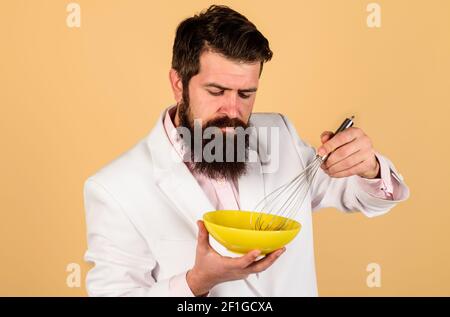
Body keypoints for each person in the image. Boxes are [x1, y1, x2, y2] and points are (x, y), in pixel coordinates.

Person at [83, 5, 409, 297]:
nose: (231, 110)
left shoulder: (279, 135)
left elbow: (363, 198)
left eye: (246, 94)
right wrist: (195, 283)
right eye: (216, 91)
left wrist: (367, 168)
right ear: (178, 83)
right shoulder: (115, 188)